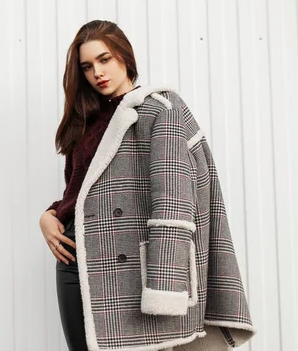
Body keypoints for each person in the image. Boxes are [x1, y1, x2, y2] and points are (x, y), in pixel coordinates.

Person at [39, 20, 255, 351]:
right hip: (73, 261)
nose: (98, 72)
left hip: (129, 272)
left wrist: (164, 285)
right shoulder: (85, 123)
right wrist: (51, 214)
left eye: (105, 59)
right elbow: (81, 192)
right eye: (87, 66)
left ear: (125, 55)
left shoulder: (158, 109)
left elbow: (173, 200)